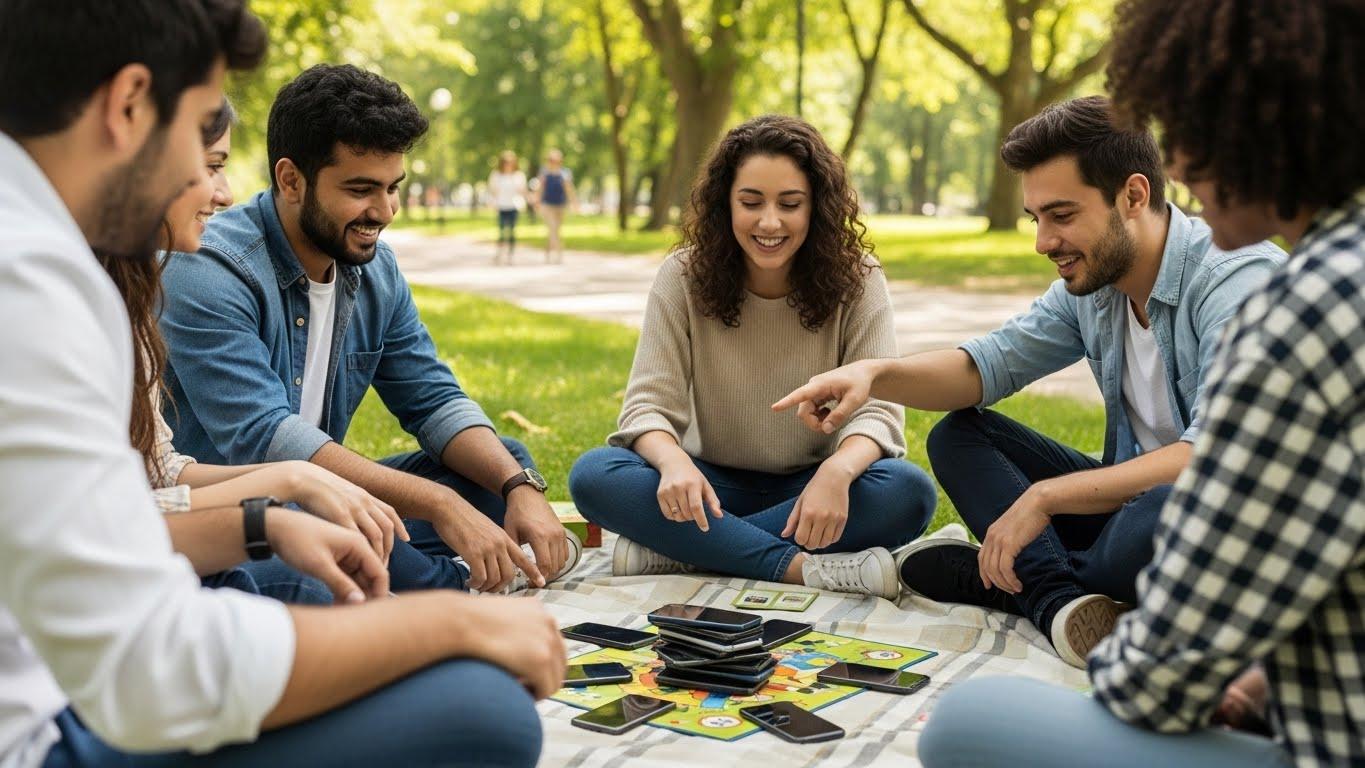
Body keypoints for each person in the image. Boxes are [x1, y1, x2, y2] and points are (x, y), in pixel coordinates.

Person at [0, 2, 563, 767]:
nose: (216, 186)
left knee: (474, 479)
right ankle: (436, 585)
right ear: (129, 105)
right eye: (201, 139)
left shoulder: (40, 255)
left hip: (191, 564)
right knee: (484, 710)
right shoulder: (34, 283)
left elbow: (117, 512)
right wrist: (443, 626)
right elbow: (152, 670)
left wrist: (264, 516)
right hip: (47, 731)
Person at [920, 1, 1365, 765]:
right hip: (1293, 672)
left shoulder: (1292, 309)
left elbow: (1154, 684)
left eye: (1187, 133)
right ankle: (1054, 586)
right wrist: (1255, 679)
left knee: (961, 723)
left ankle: (1038, 589)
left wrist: (1178, 668)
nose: (1178, 171)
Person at [775, 96, 1285, 664]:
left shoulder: (1236, 282)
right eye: (1036, 219)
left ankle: (1014, 583)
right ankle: (1063, 600)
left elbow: (1219, 456)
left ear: (1133, 196)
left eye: (1062, 216)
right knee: (959, 436)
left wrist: (1044, 498)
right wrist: (875, 374)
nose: (1043, 242)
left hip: (1232, 522)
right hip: (1133, 504)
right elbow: (984, 367)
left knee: (1165, 512)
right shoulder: (1096, 285)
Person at [159, 64, 579, 596]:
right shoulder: (209, 267)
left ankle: (438, 572)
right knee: (322, 534)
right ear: (291, 180)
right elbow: (265, 439)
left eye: (393, 188)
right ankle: (445, 583)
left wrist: (521, 486)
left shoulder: (375, 270)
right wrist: (438, 504)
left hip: (324, 495)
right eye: (361, 189)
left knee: (501, 463)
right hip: (242, 513)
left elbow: (432, 400)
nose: (383, 211)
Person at [570, 115, 937, 599]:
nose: (769, 222)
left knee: (908, 491)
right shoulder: (681, 276)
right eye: (751, 202)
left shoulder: (860, 279)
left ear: (816, 208)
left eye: (790, 204)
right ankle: (799, 569)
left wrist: (839, 471)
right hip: (707, 486)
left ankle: (683, 551)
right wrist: (674, 461)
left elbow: (878, 414)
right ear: (725, 204)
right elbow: (646, 407)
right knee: (596, 474)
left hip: (811, 490)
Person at [95, 99, 406, 605]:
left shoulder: (129, 294)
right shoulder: (190, 275)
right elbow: (105, 518)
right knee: (311, 573)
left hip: (157, 538)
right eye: (212, 167)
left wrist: (296, 480)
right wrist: (277, 501)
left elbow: (161, 471)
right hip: (103, 586)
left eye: (392, 188)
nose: (225, 193)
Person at [532, 148, 575, 264]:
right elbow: (540, 188)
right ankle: (559, 254)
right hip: (547, 205)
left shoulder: (565, 172)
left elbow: (569, 189)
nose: (553, 162)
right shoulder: (544, 172)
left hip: (560, 204)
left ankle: (548, 253)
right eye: (551, 160)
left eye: (555, 160)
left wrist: (574, 202)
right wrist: (536, 201)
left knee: (556, 230)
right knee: (552, 228)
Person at [487, 150, 527, 265]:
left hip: (514, 206)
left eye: (510, 162)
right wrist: (491, 202)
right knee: (501, 231)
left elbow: (523, 190)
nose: (508, 164)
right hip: (501, 205)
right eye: (506, 162)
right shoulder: (496, 175)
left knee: (512, 231)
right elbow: (492, 190)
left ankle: (511, 255)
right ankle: (499, 253)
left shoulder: (518, 175)